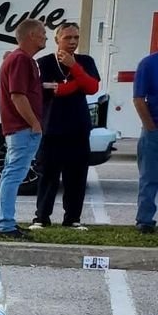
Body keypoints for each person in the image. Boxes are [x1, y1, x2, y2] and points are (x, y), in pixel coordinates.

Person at [32, 22, 99, 231]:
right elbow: (43, 90)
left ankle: (72, 218)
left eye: (76, 38)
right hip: (51, 127)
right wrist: (68, 86)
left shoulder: (85, 61)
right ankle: (41, 217)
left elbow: (92, 87)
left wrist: (74, 68)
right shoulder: (43, 63)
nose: (72, 42)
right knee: (48, 175)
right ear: (57, 40)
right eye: (68, 37)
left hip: (78, 127)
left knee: (76, 176)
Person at [0, 18, 47, 239]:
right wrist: (34, 122)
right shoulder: (21, 60)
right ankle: (5, 224)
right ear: (31, 35)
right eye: (42, 32)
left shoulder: (17, 59)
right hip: (22, 129)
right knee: (14, 175)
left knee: (10, 174)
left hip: (18, 129)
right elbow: (17, 95)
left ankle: (3, 220)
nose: (46, 36)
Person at [136, 49, 158, 235]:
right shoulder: (148, 64)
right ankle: (145, 221)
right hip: (154, 131)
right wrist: (150, 126)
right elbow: (138, 98)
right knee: (149, 177)